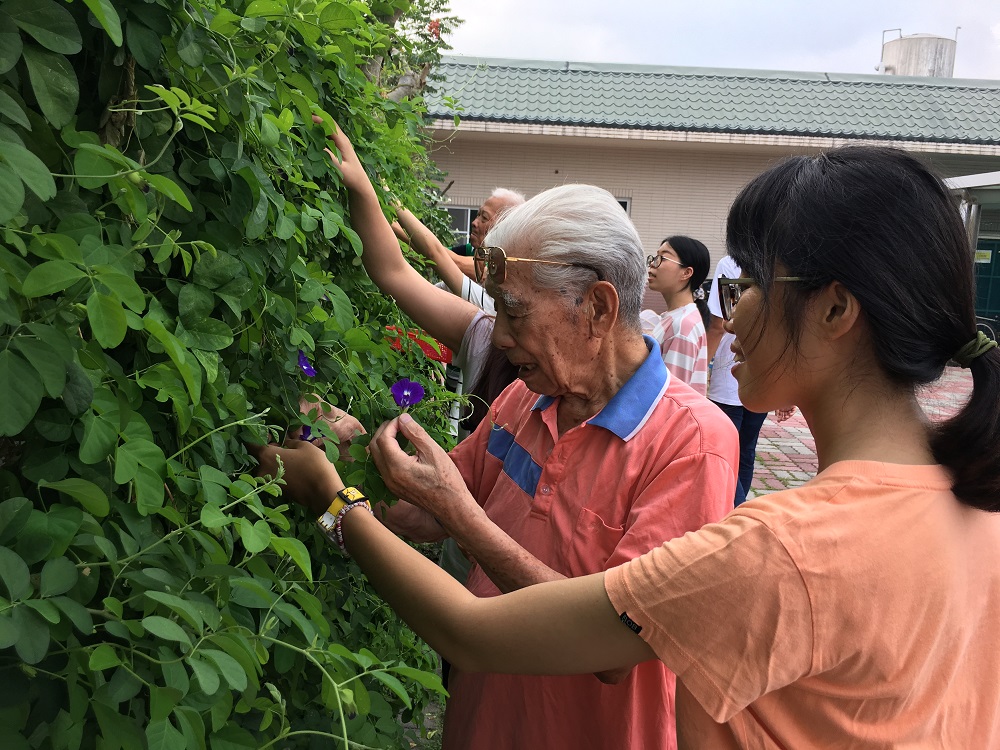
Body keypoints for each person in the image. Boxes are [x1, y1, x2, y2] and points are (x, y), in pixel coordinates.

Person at [253, 145, 1000, 748]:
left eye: (747, 286)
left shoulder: (775, 538)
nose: (728, 320)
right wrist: (356, 459)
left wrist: (331, 502)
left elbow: (477, 630)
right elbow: (438, 508)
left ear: (835, 307)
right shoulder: (978, 511)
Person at [262, 131, 740, 750]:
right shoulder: (528, 396)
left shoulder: (694, 444)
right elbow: (429, 512)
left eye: (515, 312)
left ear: (596, 307)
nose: (501, 336)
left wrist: (432, 513)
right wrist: (352, 452)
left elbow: (612, 650)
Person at [705, 254, 772, 504]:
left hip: (729, 372)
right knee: (746, 452)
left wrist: (703, 371)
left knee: (724, 453)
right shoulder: (780, 258)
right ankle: (738, 509)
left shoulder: (732, 263)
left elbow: (723, 323)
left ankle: (733, 510)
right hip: (765, 373)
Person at [642, 235, 711, 395]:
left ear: (686, 273)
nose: (653, 263)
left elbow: (670, 397)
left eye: (662, 258)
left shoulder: (682, 326)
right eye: (655, 257)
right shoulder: (676, 318)